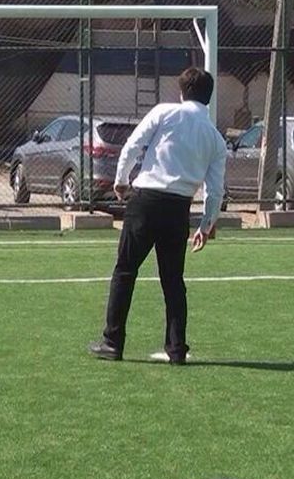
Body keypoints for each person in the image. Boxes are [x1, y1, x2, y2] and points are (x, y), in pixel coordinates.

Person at [88, 67, 227, 365]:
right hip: (178, 208)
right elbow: (215, 191)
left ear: (182, 93)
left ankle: (112, 343)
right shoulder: (215, 138)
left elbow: (132, 145)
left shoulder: (164, 112)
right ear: (209, 98)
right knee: (173, 280)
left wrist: (121, 180)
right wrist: (206, 225)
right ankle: (177, 349)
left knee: (125, 271)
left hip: (146, 200)